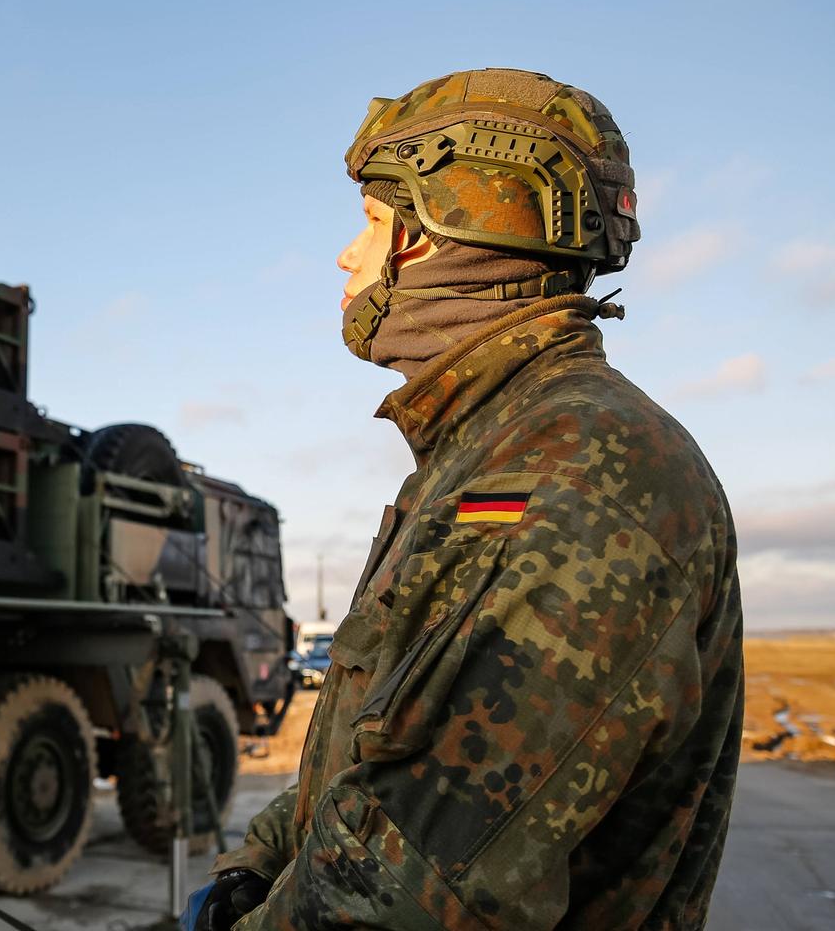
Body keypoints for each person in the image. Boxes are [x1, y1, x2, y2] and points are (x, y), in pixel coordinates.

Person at [188, 68, 743, 930]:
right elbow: (381, 752)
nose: (348, 255)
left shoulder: (580, 470)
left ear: (449, 232)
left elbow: (407, 892)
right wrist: (255, 866)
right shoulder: (488, 449)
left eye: (373, 222)